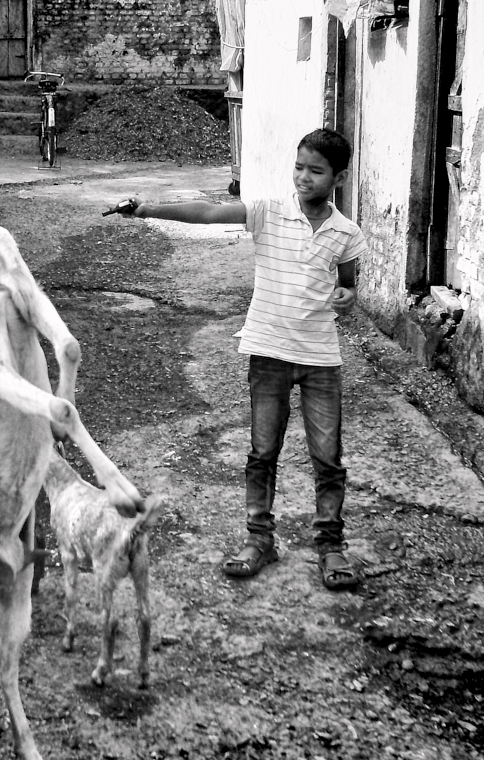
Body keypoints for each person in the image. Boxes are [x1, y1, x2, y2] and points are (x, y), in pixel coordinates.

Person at [111, 128, 367, 590]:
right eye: (299, 167)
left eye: (316, 171)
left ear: (338, 177)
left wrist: (347, 295)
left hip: (320, 358)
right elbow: (209, 212)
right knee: (262, 452)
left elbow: (348, 282)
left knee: (327, 457)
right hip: (268, 352)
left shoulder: (346, 233)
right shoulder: (268, 213)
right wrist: (147, 208)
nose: (303, 178)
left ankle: (331, 547)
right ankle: (259, 539)